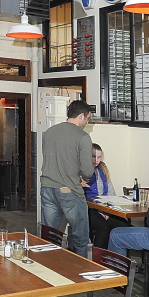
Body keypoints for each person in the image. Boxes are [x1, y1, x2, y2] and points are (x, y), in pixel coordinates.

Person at [40, 99, 93, 257]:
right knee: (80, 237)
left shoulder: (49, 132)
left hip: (47, 188)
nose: (87, 122)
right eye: (88, 118)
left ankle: (48, 272)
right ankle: (78, 275)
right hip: (69, 191)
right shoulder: (83, 137)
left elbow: (53, 160)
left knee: (49, 237)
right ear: (81, 116)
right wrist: (81, 178)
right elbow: (88, 171)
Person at [82, 143, 131, 248]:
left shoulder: (103, 168)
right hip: (89, 209)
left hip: (105, 207)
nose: (96, 160)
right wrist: (100, 210)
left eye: (99, 157)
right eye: (93, 156)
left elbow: (110, 191)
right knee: (103, 227)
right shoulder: (82, 170)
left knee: (125, 226)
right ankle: (98, 258)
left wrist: (108, 210)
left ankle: (117, 258)